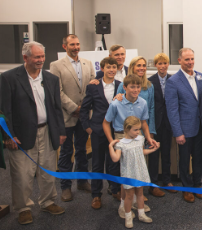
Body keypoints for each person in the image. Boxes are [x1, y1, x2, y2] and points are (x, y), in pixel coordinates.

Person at [1, 41, 66, 225]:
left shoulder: (51, 78)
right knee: (22, 175)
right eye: (37, 57)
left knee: (48, 171)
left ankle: (48, 201)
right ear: (25, 58)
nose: (41, 60)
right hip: (21, 135)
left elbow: (56, 108)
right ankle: (23, 208)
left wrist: (60, 131)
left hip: (47, 131)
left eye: (42, 56)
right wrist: (8, 135)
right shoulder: (9, 78)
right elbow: (4, 111)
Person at [49, 34, 96, 201]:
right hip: (67, 116)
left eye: (77, 44)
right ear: (65, 46)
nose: (76, 47)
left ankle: (82, 181)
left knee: (82, 150)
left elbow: (92, 87)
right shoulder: (55, 66)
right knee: (66, 151)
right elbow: (57, 91)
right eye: (72, 44)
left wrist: (84, 109)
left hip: (84, 116)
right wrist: (73, 108)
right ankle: (65, 186)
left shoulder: (87, 63)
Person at [103, 74, 154, 218]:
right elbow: (106, 123)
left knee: (138, 169)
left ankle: (134, 202)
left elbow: (144, 123)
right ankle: (123, 204)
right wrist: (111, 142)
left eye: (138, 87)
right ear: (124, 88)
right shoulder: (116, 103)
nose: (136, 89)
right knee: (126, 172)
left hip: (137, 137)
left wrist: (149, 138)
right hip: (121, 137)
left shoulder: (143, 103)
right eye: (132, 87)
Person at [80, 57, 122, 209]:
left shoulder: (120, 86)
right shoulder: (93, 86)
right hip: (97, 130)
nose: (111, 70)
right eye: (109, 67)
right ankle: (96, 195)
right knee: (97, 163)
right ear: (102, 68)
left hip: (115, 131)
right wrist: (87, 127)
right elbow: (84, 109)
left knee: (114, 163)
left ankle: (116, 190)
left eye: (114, 67)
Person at [165, 48, 202, 203]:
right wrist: (178, 132)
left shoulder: (200, 76)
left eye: (192, 59)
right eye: (187, 59)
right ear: (179, 61)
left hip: (200, 128)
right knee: (184, 160)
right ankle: (186, 188)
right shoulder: (173, 82)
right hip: (184, 129)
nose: (190, 62)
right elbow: (172, 110)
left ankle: (197, 185)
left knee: (199, 159)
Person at [116, 56, 159, 195]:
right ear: (132, 67)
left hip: (141, 131)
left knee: (140, 163)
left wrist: (150, 131)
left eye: (144, 65)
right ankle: (127, 197)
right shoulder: (123, 84)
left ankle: (139, 195)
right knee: (127, 166)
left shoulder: (149, 85)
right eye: (138, 65)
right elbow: (118, 106)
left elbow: (151, 109)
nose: (141, 68)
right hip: (125, 132)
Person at [109, 116, 160, 228]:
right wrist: (110, 146)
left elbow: (142, 152)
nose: (138, 132)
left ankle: (141, 214)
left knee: (140, 194)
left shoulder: (140, 139)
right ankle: (128, 217)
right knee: (129, 196)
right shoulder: (121, 143)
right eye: (135, 130)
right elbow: (115, 159)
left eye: (139, 129)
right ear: (127, 129)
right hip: (128, 174)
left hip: (140, 171)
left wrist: (153, 149)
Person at [147, 53, 176, 194]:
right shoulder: (149, 81)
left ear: (168, 64)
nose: (163, 66)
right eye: (160, 63)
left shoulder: (173, 80)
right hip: (154, 123)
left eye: (165, 63)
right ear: (155, 65)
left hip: (168, 122)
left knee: (166, 153)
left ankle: (167, 180)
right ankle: (153, 183)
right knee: (153, 155)